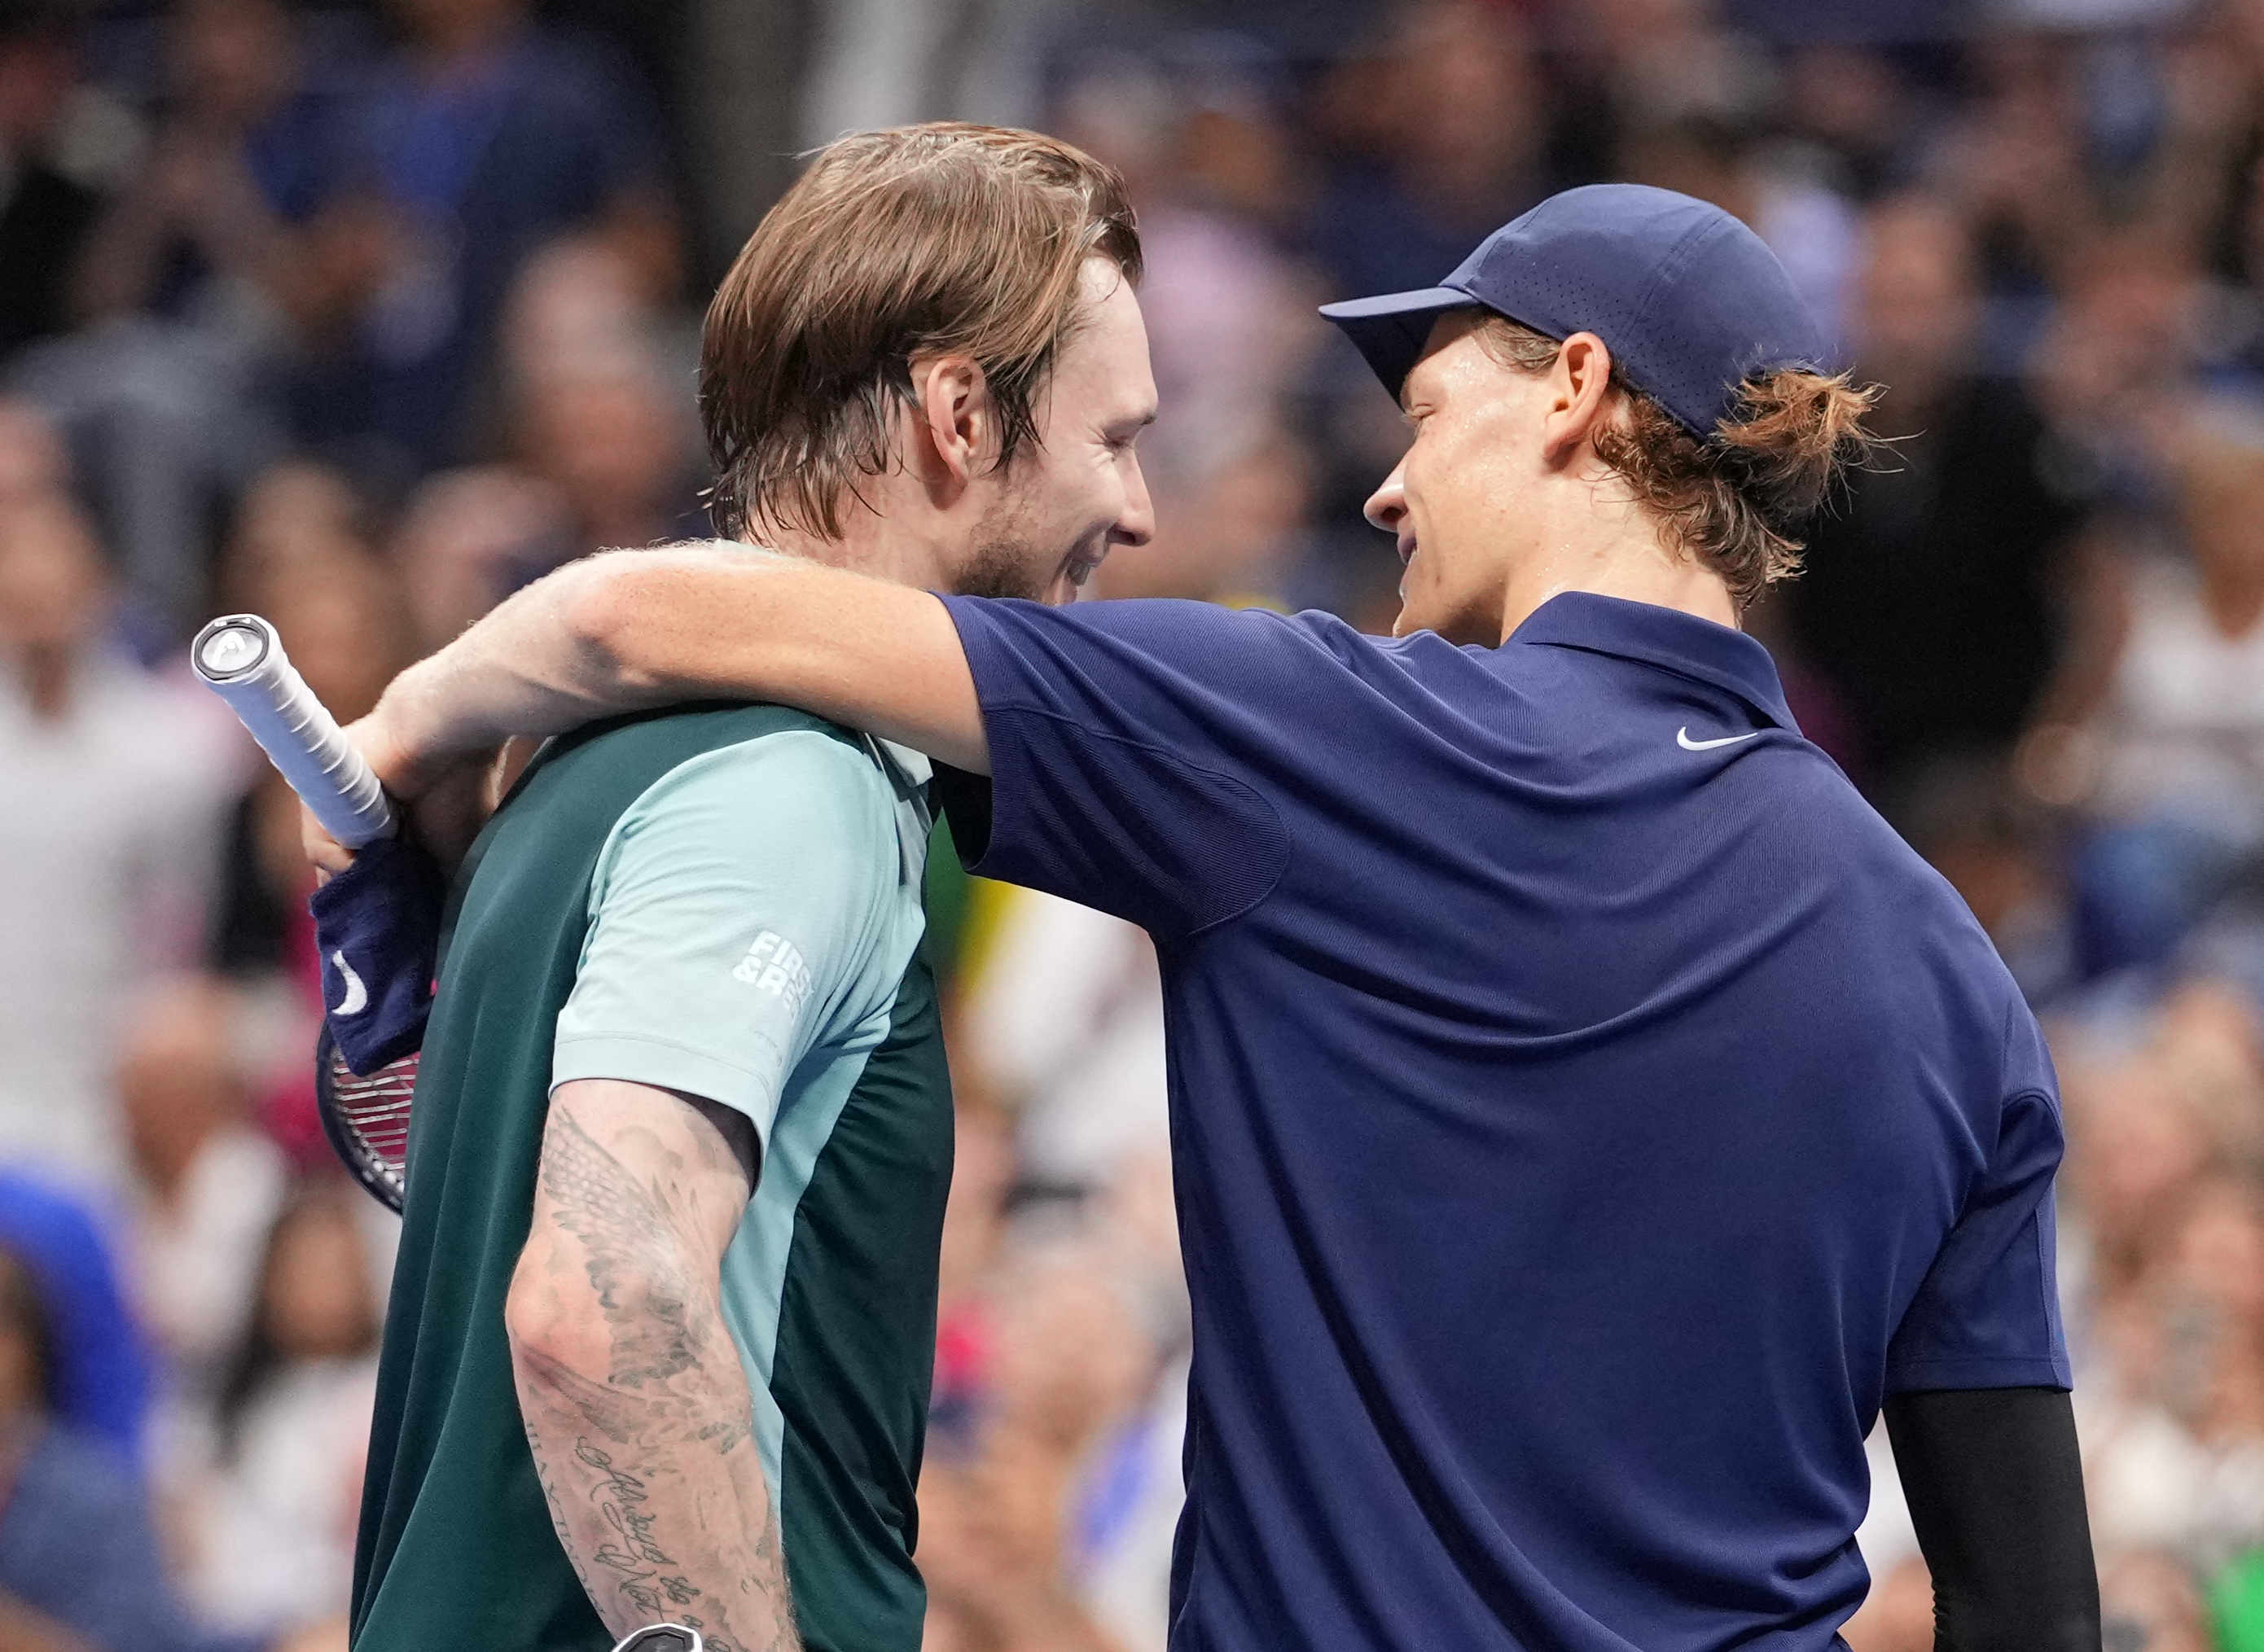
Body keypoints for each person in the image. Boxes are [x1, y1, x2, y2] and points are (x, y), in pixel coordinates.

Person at [316, 183, 2098, 1647]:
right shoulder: (1955, 975)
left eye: (1425, 417)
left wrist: (394, 737)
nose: (1384, 487)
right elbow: (2030, 1607)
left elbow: (643, 617)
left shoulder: (1328, 738)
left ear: (1573, 386)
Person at [332, 125, 1153, 1652]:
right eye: (1114, 439)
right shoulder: (788, 790)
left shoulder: (579, 761)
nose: (1141, 506)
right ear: (961, 415)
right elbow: (601, 1305)